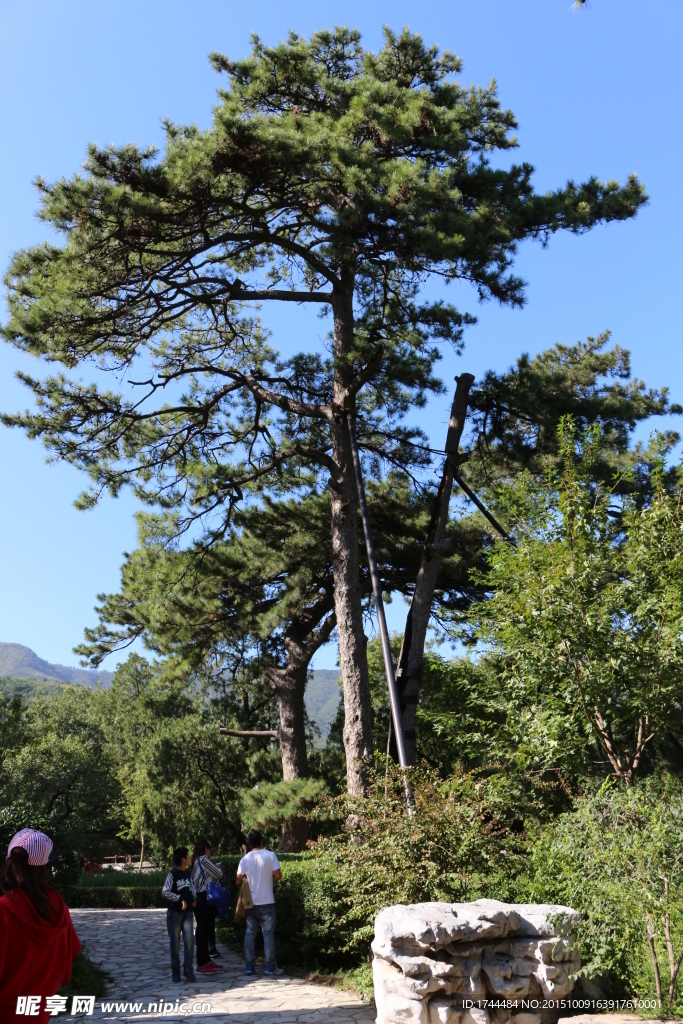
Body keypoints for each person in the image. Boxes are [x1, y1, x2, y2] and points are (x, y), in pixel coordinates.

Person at [0, 828, 81, 1023]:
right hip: (40, 1012)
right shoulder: (57, 905)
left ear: (8, 859)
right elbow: (72, 950)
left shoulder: (4, 908)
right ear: (43, 866)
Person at [236, 829, 282, 977]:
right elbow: (278, 876)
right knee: (268, 935)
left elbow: (238, 881)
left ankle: (249, 967)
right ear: (261, 841)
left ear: (249, 845)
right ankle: (270, 967)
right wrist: (268, 879)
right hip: (267, 901)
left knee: (250, 933)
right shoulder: (271, 856)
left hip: (250, 903)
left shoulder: (245, 859)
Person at [162, 847, 197, 983]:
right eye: (188, 855)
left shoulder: (188, 874)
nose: (190, 858)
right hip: (175, 914)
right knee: (175, 943)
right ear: (183, 859)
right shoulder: (173, 874)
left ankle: (188, 970)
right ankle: (175, 971)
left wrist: (193, 899)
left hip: (188, 913)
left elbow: (191, 888)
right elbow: (165, 891)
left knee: (189, 940)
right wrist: (179, 899)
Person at [190, 840, 224, 975]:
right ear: (206, 849)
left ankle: (207, 960)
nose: (210, 852)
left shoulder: (195, 861)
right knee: (203, 931)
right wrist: (218, 868)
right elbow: (218, 874)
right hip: (204, 898)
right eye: (209, 849)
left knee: (204, 929)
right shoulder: (203, 859)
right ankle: (201, 963)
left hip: (199, 898)